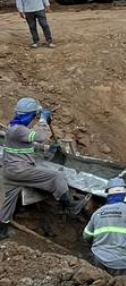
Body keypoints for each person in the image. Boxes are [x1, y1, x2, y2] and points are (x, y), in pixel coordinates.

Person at [1, 98, 86, 239]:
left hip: (10, 171)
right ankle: (70, 206)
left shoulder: (13, 126)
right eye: (34, 116)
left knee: (7, 202)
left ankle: (1, 231)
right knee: (56, 177)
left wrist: (46, 148)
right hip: (19, 170)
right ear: (31, 115)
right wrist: (43, 120)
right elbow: (40, 136)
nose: (34, 119)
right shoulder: (19, 129)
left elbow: (27, 143)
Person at [83, 178, 126, 286]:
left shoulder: (97, 213)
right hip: (120, 261)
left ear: (108, 194)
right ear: (123, 193)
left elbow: (86, 235)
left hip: (98, 259)